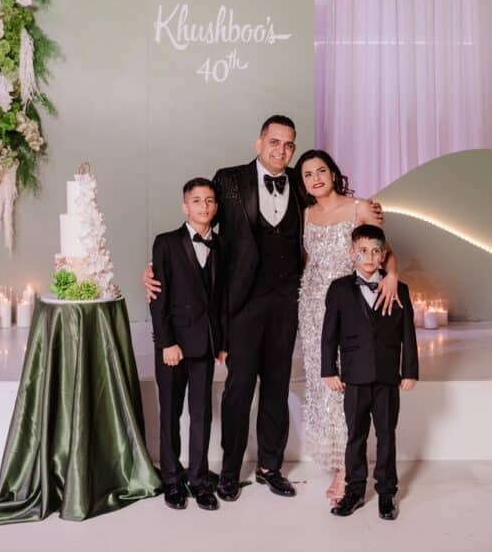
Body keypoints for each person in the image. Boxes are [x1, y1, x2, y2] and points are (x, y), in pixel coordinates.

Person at [144, 115, 393, 501]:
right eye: (275, 142)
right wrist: (159, 266)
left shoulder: (300, 182)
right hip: (241, 304)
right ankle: (229, 472)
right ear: (259, 143)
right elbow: (201, 225)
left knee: (276, 387)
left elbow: (344, 218)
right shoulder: (228, 180)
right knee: (239, 388)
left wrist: (371, 223)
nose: (282, 150)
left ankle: (269, 467)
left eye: (289, 144)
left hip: (289, 302)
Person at [294, 149, 400, 504]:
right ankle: (339, 458)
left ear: (334, 173)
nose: (316, 179)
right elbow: (307, 260)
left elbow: (384, 251)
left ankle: (347, 470)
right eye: (308, 174)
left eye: (321, 171)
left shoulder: (360, 208)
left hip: (350, 306)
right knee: (324, 382)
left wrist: (392, 277)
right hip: (312, 306)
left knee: (349, 382)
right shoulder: (305, 214)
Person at [321, 224, 418, 520]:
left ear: (383, 255)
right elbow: (329, 334)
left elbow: (408, 334)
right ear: (352, 252)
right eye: (362, 251)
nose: (369, 257)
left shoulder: (399, 289)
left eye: (376, 251)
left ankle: (386, 493)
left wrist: (409, 371)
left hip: (387, 376)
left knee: (387, 434)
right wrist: (329, 370)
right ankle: (354, 490)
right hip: (354, 376)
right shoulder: (339, 289)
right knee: (356, 435)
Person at [149, 177, 228, 511]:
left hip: (206, 345)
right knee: (170, 414)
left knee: (201, 414)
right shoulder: (166, 243)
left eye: (209, 201)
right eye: (197, 201)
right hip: (174, 346)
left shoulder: (222, 245)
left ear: (216, 206)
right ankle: (172, 479)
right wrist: (166, 342)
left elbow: (222, 299)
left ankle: (198, 480)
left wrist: (221, 342)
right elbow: (158, 298)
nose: (204, 206)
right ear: (185, 207)